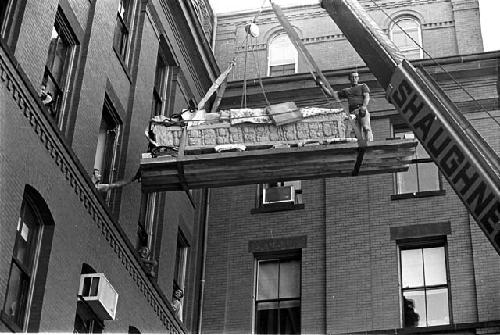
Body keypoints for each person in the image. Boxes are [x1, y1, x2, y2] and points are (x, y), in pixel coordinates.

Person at [318, 71, 373, 141]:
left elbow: (367, 97)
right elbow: (332, 94)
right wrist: (322, 86)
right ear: (349, 79)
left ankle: (370, 142)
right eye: (352, 77)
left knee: (366, 127)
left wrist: (364, 106)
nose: (354, 79)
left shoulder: (362, 86)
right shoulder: (347, 91)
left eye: (356, 77)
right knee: (357, 132)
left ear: (358, 78)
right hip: (353, 112)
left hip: (361, 109)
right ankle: (361, 147)